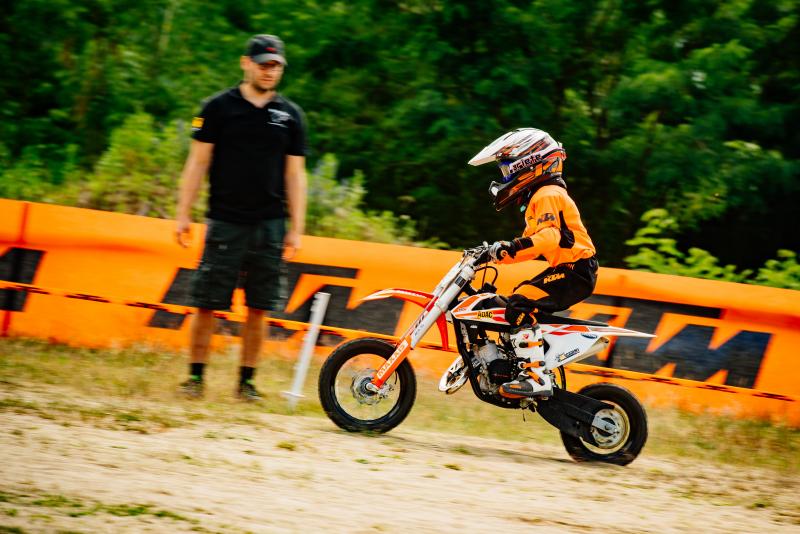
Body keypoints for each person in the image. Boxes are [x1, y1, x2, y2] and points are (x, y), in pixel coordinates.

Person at [174, 34, 308, 401]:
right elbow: (197, 162)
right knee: (207, 303)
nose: (269, 71)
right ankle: (195, 378)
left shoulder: (290, 116)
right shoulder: (217, 108)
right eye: (263, 64)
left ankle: (246, 384)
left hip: (270, 224)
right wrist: (183, 212)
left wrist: (297, 228)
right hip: (225, 220)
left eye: (276, 66)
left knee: (259, 307)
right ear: (246, 63)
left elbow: (295, 175)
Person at [468, 128, 597, 398]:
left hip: (576, 271)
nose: (505, 177)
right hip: (567, 269)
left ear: (529, 165)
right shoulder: (540, 197)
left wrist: (509, 247)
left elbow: (548, 238)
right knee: (513, 299)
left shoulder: (547, 194)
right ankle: (519, 362)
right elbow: (530, 247)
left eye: (507, 170)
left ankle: (536, 377)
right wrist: (495, 254)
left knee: (519, 304)